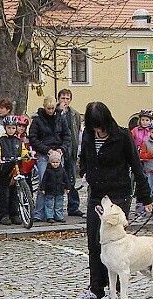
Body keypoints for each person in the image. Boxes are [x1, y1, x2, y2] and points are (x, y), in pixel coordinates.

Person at [77, 102, 153, 299]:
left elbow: (136, 166)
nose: (98, 132)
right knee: (95, 242)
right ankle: (96, 288)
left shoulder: (122, 136)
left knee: (117, 243)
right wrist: (84, 171)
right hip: (97, 194)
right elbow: (83, 157)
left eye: (100, 127)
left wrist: (145, 197)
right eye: (95, 128)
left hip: (118, 194)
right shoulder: (88, 135)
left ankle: (117, 289)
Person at [28, 96, 71, 222]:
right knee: (44, 182)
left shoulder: (60, 118)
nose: (51, 111)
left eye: (52, 108)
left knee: (58, 183)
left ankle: (56, 213)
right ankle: (39, 213)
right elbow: (33, 138)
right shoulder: (37, 120)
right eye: (48, 108)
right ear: (44, 107)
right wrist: (46, 150)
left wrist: (62, 149)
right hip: (44, 154)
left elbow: (67, 136)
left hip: (58, 153)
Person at [0, 115, 28, 225]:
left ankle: (14, 214)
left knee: (14, 193)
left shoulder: (18, 141)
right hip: (4, 170)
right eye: (9, 128)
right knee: (4, 193)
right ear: (5, 128)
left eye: (13, 128)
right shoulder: (0, 141)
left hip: (15, 169)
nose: (11, 130)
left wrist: (27, 154)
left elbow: (23, 151)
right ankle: (4, 215)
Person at [57, 88, 84, 217]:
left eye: (67, 98)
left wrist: (76, 150)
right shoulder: (54, 112)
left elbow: (77, 131)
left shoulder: (75, 114)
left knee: (71, 179)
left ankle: (73, 206)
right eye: (63, 98)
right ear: (58, 99)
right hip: (58, 150)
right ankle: (56, 208)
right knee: (57, 179)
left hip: (71, 150)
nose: (65, 101)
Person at [40, 150, 70, 224]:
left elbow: (66, 179)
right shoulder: (48, 171)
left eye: (57, 162)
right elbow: (44, 180)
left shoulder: (62, 170)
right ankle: (49, 217)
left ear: (59, 162)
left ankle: (59, 216)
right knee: (49, 204)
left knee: (59, 204)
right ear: (50, 162)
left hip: (60, 190)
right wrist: (43, 188)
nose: (55, 164)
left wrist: (67, 187)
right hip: (49, 190)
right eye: (53, 162)